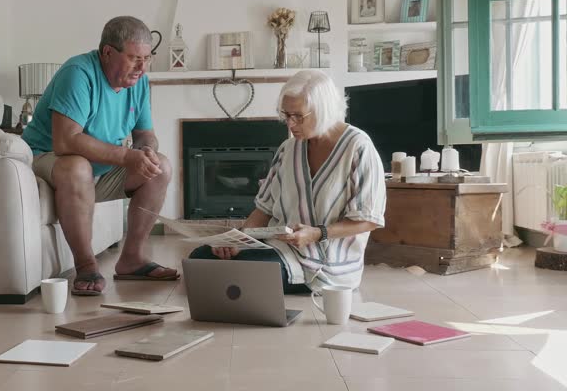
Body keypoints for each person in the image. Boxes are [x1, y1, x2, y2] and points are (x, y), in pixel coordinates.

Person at [189, 70, 386, 293]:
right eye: (286, 115)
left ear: (324, 111)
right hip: (279, 248)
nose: (290, 124)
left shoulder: (358, 148)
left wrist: (317, 233)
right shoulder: (288, 149)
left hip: (327, 263)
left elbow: (369, 220)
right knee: (201, 256)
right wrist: (236, 241)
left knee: (250, 272)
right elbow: (263, 210)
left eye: (298, 116)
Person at [22, 16, 179, 296]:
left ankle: (132, 259)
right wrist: (126, 156)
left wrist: (146, 152)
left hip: (100, 167)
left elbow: (145, 133)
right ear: (108, 52)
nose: (142, 67)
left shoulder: (138, 82)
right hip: (45, 158)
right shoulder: (78, 72)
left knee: (162, 167)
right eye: (134, 58)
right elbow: (66, 140)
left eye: (147, 58)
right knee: (76, 167)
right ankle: (86, 266)